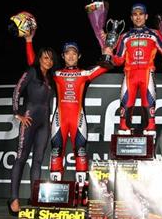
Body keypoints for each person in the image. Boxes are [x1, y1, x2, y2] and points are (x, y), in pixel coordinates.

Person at [26, 36, 111, 205]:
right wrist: (29, 41)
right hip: (60, 120)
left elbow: (106, 66)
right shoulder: (55, 73)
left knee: (80, 153)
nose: (71, 56)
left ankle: (82, 194)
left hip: (78, 120)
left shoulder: (84, 73)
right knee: (56, 152)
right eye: (67, 53)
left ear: (79, 56)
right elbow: (34, 64)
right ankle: (55, 194)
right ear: (63, 56)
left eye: (74, 53)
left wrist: (106, 50)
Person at [103, 3, 162, 138]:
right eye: (135, 15)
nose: (138, 17)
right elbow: (118, 60)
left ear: (146, 16)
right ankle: (124, 127)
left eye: (141, 14)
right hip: (129, 74)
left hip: (147, 73)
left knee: (148, 103)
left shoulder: (154, 34)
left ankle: (150, 128)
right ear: (131, 17)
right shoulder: (124, 36)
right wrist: (109, 52)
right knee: (126, 102)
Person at [8, 44, 58, 216]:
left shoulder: (50, 78)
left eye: (51, 58)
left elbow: (49, 103)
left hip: (44, 123)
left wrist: (51, 120)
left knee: (37, 161)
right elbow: (17, 91)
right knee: (21, 158)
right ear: (39, 59)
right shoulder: (31, 72)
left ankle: (34, 197)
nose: (49, 61)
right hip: (29, 119)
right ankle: (14, 198)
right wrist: (17, 114)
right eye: (45, 57)